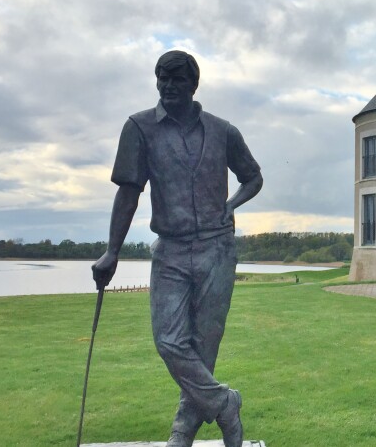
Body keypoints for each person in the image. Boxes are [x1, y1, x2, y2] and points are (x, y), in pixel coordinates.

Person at [92, 50, 263, 447]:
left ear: (193, 85)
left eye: (177, 79)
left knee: (204, 345)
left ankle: (183, 430)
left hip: (217, 249)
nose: (167, 86)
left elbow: (253, 177)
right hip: (170, 249)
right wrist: (112, 251)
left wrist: (230, 205)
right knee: (169, 341)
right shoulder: (139, 128)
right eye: (162, 78)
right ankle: (225, 403)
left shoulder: (223, 131)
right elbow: (128, 192)